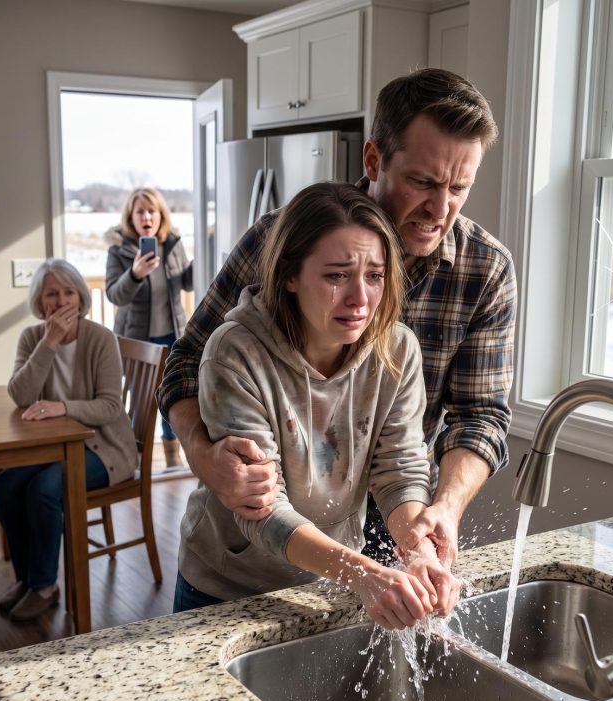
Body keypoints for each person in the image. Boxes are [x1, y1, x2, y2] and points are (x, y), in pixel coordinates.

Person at [158, 68, 517, 613]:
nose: (442, 208)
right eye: (423, 181)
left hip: (387, 517)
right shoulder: (278, 248)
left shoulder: (479, 275)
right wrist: (208, 459)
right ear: (374, 161)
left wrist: (437, 514)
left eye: (460, 188)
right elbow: (187, 361)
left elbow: (477, 418)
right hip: (243, 559)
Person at [174, 182, 458, 627]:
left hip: (328, 580)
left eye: (374, 275)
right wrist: (365, 574)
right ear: (289, 275)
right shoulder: (235, 352)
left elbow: (399, 472)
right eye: (337, 275)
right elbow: (260, 509)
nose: (360, 299)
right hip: (227, 589)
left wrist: (418, 552)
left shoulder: (397, 351)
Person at [0, 260, 138, 621]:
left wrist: (61, 407)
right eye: (52, 294)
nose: (61, 301)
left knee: (44, 489)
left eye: (68, 292)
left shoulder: (100, 338)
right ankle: (28, 579)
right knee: (5, 486)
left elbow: (109, 407)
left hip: (105, 448)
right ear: (40, 302)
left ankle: (44, 586)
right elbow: (21, 395)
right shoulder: (32, 338)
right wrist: (49, 343)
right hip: (53, 447)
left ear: (80, 297)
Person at [105, 186, 193, 468]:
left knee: (173, 400)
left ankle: (172, 461)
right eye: (140, 211)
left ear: (160, 215)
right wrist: (134, 274)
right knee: (141, 405)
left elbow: (188, 282)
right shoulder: (119, 251)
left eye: (151, 210)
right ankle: (135, 463)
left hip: (171, 337)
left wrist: (205, 254)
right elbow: (115, 294)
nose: (146, 216)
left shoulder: (173, 245)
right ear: (130, 217)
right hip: (137, 340)